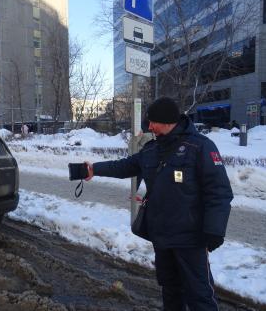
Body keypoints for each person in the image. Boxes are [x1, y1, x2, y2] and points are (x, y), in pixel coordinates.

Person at [84, 97, 233, 311]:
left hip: (190, 238)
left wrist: (215, 230)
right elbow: (125, 166)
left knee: (199, 295)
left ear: (167, 121)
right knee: (170, 291)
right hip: (162, 236)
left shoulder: (200, 147)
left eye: (153, 122)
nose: (150, 126)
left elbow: (219, 192)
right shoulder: (152, 149)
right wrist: (94, 169)